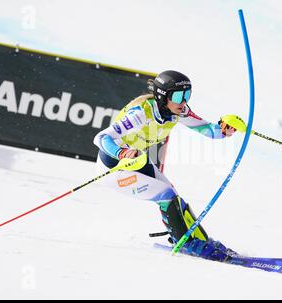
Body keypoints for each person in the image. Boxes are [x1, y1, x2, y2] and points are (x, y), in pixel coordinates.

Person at [93, 70, 238, 262]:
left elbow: (207, 129)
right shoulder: (140, 114)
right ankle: (187, 243)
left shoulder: (178, 111)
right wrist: (121, 153)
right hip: (113, 169)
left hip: (136, 161)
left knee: (173, 196)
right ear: (163, 96)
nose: (184, 101)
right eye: (179, 96)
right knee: (166, 195)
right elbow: (101, 137)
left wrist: (225, 129)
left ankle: (200, 239)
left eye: (187, 95)